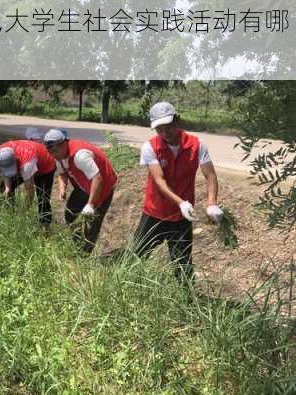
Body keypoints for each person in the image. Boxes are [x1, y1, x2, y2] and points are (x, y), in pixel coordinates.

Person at [132, 102, 223, 283]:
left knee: (183, 265)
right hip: (154, 213)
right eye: (159, 129)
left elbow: (210, 175)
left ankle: (186, 301)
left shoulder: (197, 145)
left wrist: (211, 203)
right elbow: (159, 180)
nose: (165, 133)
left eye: (169, 127)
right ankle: (127, 292)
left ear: (177, 120)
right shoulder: (150, 147)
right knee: (136, 257)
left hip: (182, 218)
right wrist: (181, 202)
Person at [44, 129, 118, 253]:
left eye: (55, 151)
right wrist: (62, 188)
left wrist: (90, 205)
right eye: (50, 152)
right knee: (70, 214)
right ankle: (77, 245)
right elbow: (62, 174)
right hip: (84, 185)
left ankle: (84, 255)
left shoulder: (80, 155)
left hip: (102, 187)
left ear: (63, 144)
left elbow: (98, 179)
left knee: (92, 223)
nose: (53, 155)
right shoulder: (58, 155)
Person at [0, 140, 56, 226]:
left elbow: (30, 191)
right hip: (28, 159)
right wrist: (7, 187)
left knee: (43, 199)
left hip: (45, 165)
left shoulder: (27, 165)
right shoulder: (0, 152)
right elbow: (5, 172)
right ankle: (9, 216)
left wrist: (23, 212)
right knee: (4, 188)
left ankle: (45, 227)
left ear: (16, 160)